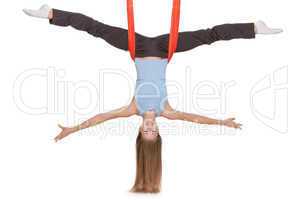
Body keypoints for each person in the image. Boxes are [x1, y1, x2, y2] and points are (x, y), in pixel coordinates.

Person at [23, 4, 283, 193]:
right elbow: (194, 118)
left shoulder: (132, 108)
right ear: (158, 131)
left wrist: (73, 129)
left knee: (97, 29)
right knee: (209, 35)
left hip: (136, 46)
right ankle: (253, 28)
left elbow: (100, 118)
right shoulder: (165, 110)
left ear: (139, 130)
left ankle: (51, 14)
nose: (149, 127)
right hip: (164, 48)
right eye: (153, 132)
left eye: (145, 131)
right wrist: (221, 123)